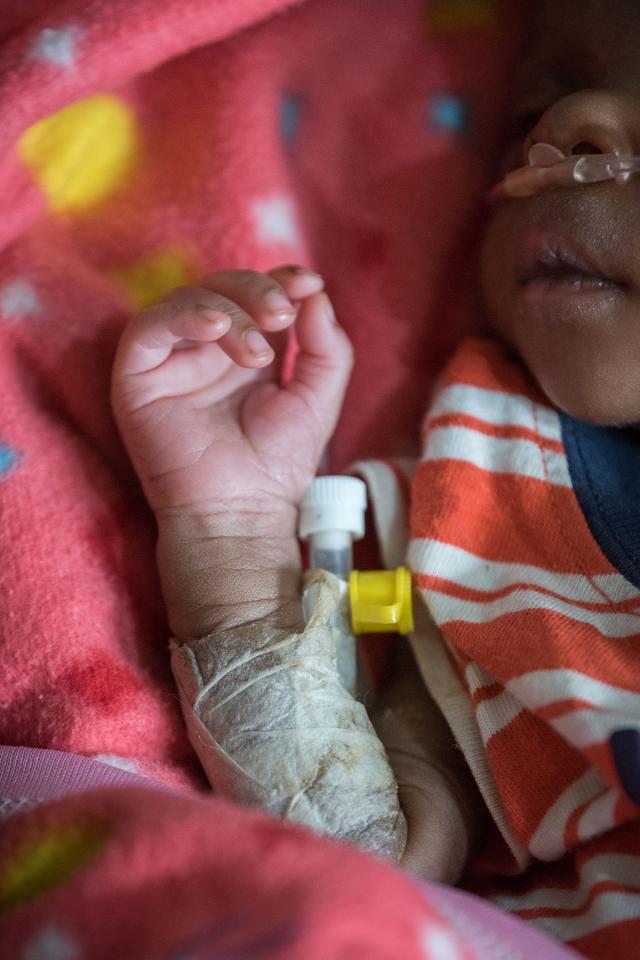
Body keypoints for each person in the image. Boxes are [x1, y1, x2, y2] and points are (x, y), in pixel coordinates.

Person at [111, 0, 640, 953]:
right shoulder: (494, 504)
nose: (573, 127)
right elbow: (363, 845)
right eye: (532, 116)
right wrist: (229, 534)